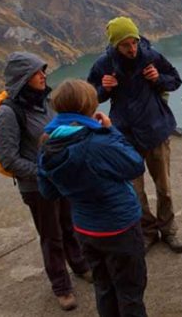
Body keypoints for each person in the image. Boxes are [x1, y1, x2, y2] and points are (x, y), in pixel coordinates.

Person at [37, 79, 148, 317]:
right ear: (89, 106)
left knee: (104, 285)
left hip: (85, 229)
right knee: (130, 291)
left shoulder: (47, 143)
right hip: (120, 226)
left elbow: (48, 192)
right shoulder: (97, 141)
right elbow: (135, 165)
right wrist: (111, 130)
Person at [0, 52, 91, 311]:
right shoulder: (9, 112)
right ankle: (61, 286)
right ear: (23, 78)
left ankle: (80, 265)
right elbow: (8, 159)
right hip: (37, 187)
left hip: (61, 179)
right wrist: (44, 171)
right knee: (52, 236)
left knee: (70, 225)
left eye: (42, 71)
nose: (43, 75)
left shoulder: (46, 101)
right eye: (37, 72)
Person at [87, 16, 182, 253]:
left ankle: (169, 230)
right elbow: (89, 96)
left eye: (134, 42)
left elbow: (175, 80)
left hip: (155, 130)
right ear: (115, 45)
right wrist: (104, 89)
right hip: (125, 135)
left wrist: (158, 79)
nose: (132, 48)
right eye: (125, 44)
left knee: (164, 188)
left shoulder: (151, 56)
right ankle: (147, 232)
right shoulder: (104, 65)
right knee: (135, 191)